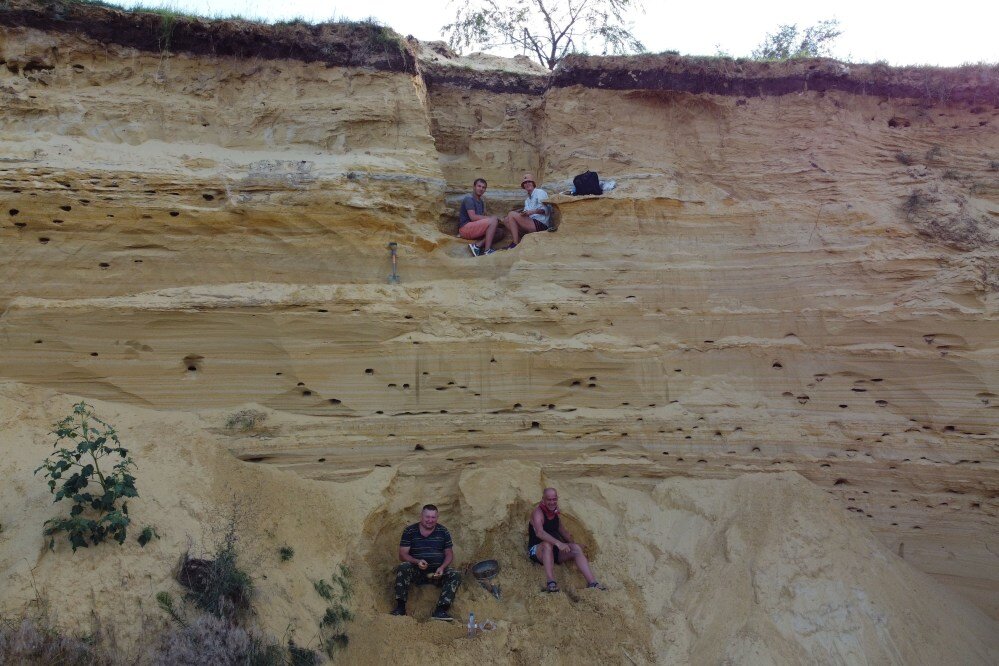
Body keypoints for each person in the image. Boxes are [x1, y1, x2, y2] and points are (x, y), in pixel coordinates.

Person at [390, 504, 461, 620]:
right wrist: (417, 561)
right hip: (416, 572)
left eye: (433, 517)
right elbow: (402, 555)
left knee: (456, 574)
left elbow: (449, 553)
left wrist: (442, 567)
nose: (430, 520)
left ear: (437, 517)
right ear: (421, 516)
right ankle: (400, 608)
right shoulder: (410, 531)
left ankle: (441, 611)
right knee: (403, 567)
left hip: (438, 573)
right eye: (427, 517)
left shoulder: (443, 531)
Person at [527, 487, 602, 592]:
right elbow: (540, 533)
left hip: (555, 551)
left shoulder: (555, 513)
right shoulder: (538, 513)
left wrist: (574, 545)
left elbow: (563, 532)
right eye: (549, 499)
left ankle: (593, 583)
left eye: (554, 499)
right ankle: (551, 583)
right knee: (547, 545)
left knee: (575, 548)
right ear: (543, 499)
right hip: (537, 550)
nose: (552, 502)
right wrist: (558, 543)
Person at [458, 178, 506, 257]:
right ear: (474, 187)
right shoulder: (469, 199)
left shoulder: (481, 201)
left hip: (475, 228)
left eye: (483, 187)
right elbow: (473, 217)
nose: (481, 189)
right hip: (465, 228)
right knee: (493, 220)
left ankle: (477, 246)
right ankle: (487, 250)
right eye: (479, 186)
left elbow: (482, 219)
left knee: (500, 232)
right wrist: (491, 219)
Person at [503, 173, 551, 247]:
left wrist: (532, 212)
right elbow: (526, 214)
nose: (527, 184)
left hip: (542, 224)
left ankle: (515, 243)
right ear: (523, 186)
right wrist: (523, 213)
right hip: (532, 223)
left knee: (511, 214)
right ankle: (520, 240)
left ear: (533, 183)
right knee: (506, 220)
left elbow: (546, 210)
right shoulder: (527, 200)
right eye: (525, 183)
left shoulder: (539, 192)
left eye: (529, 182)